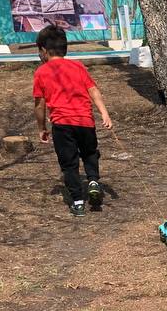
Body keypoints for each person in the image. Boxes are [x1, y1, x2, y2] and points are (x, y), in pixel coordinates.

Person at [33, 25, 112, 216]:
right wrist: (104, 113)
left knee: (69, 164)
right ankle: (93, 180)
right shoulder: (78, 66)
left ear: (44, 50)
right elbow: (93, 90)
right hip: (85, 121)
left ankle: (77, 201)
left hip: (61, 124)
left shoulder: (41, 72)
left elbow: (40, 104)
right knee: (90, 153)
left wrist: (42, 127)